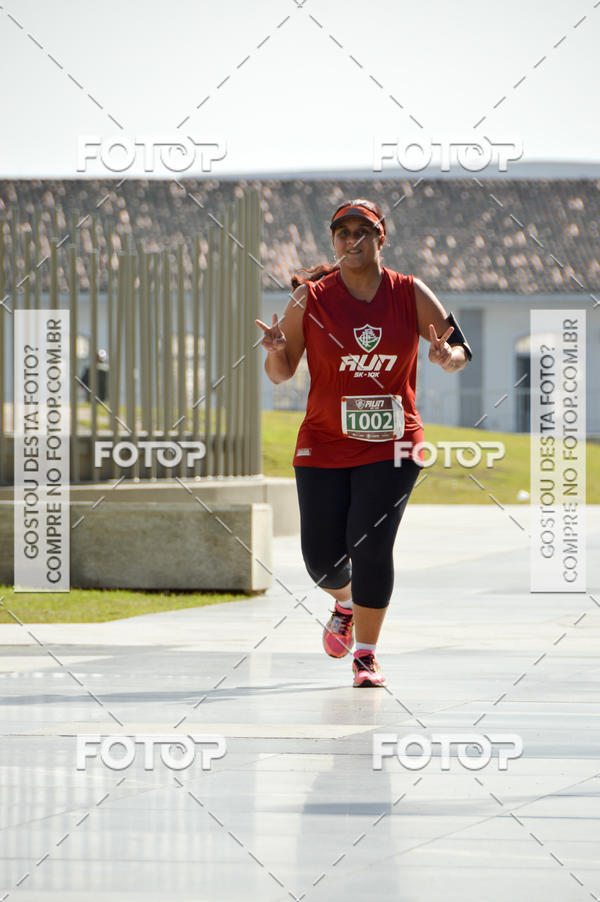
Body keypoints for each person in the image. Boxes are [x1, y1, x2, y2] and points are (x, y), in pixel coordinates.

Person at [256, 199, 472, 688]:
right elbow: (280, 373)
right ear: (333, 241)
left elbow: (460, 349)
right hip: (324, 441)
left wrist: (445, 357)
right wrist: (273, 352)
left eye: (363, 231)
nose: (352, 239)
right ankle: (346, 602)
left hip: (393, 443)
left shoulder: (409, 292)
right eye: (342, 232)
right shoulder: (310, 298)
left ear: (381, 238)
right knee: (320, 558)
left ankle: (367, 657)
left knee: (371, 544)